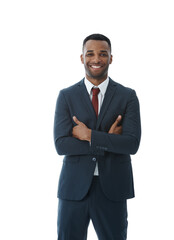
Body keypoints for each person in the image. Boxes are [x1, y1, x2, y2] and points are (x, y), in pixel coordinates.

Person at [54, 33, 141, 240]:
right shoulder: (66, 96)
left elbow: (131, 144)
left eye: (103, 54)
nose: (96, 59)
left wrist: (88, 135)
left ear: (111, 58)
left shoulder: (127, 96)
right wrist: (107, 141)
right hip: (74, 189)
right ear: (82, 58)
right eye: (90, 54)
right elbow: (61, 145)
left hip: (112, 188)